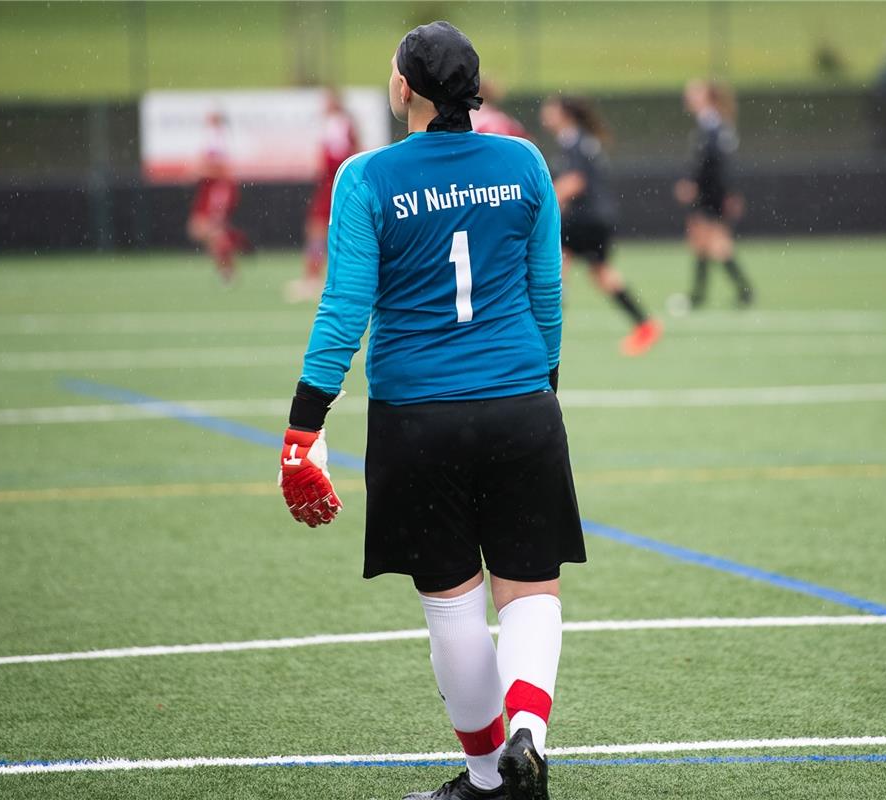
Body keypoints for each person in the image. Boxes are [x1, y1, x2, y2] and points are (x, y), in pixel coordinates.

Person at [277, 21, 584, 800]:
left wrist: (303, 427)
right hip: (519, 404)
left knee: (451, 602)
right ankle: (530, 736)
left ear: (404, 89)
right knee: (529, 588)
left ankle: (487, 779)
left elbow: (342, 313)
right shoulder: (522, 163)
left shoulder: (366, 177)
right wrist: (538, 391)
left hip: (417, 421)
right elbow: (545, 296)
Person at [539, 96, 661, 356]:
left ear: (564, 114)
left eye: (550, 110)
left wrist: (545, 199)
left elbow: (575, 181)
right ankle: (645, 324)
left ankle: (544, 334)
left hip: (585, 217)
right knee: (599, 273)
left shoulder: (576, 141)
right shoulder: (578, 140)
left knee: (554, 267)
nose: (545, 114)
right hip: (593, 217)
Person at [674, 79, 753, 309]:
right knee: (701, 241)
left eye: (695, 93)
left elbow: (714, 162)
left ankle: (742, 291)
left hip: (711, 192)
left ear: (707, 98)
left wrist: (695, 184)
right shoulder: (713, 124)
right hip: (713, 191)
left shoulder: (713, 125)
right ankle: (701, 296)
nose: (689, 97)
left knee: (714, 242)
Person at [286, 89, 361, 303]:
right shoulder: (340, 123)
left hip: (333, 183)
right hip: (333, 182)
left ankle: (313, 278)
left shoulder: (338, 123)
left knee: (318, 228)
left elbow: (340, 155)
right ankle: (319, 277)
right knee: (325, 229)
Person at [186, 111, 251, 284]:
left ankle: (229, 266)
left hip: (218, 188)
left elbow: (222, 169)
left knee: (211, 230)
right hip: (210, 188)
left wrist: (200, 170)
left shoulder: (217, 138)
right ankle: (226, 266)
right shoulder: (212, 136)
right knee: (200, 229)